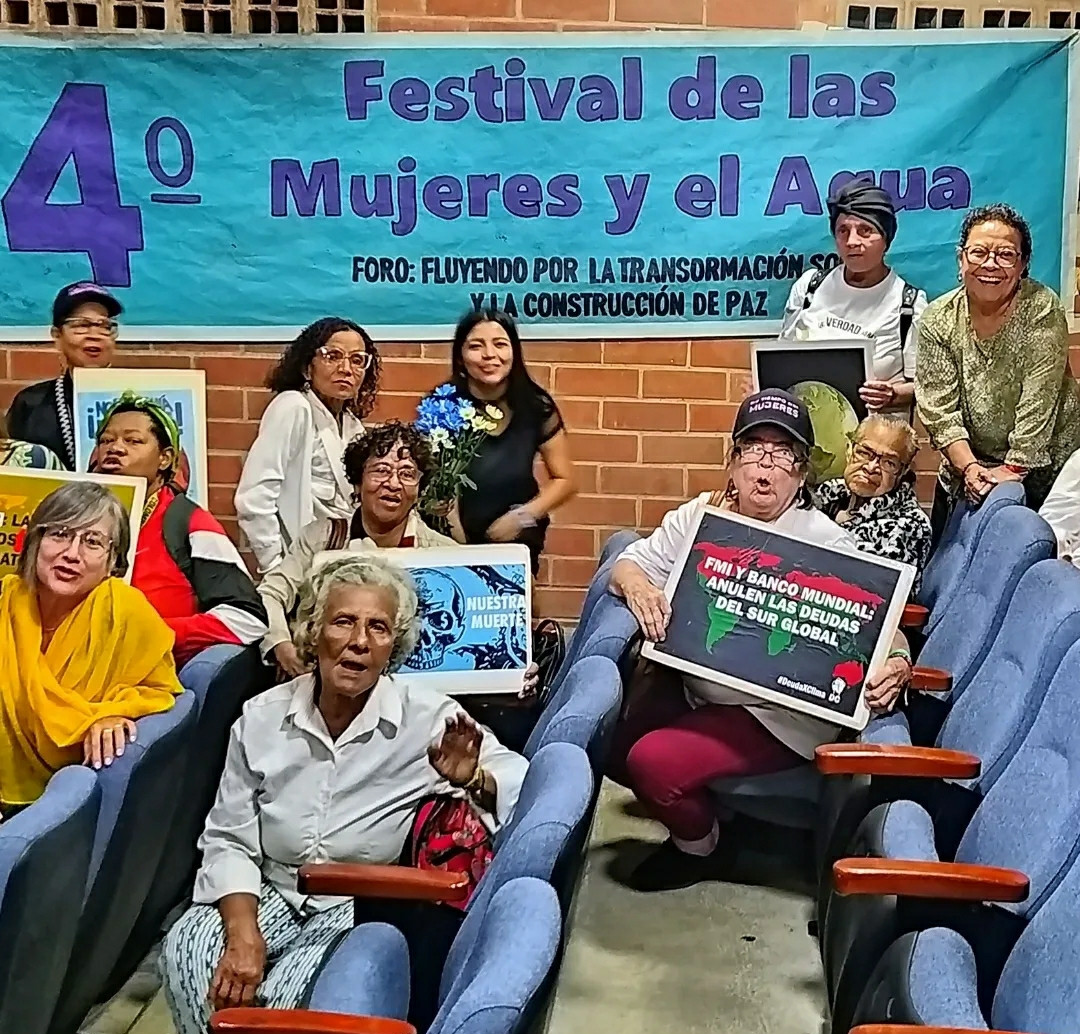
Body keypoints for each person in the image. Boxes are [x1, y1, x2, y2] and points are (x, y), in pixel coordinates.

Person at [161, 555, 528, 1034]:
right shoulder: (261, 718)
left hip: (354, 905)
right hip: (267, 891)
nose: (359, 641)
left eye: (377, 628)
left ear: (393, 646)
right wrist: (243, 934)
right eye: (343, 622)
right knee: (187, 951)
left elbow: (516, 781)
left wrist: (470, 778)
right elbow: (228, 838)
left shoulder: (426, 717)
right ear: (314, 633)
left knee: (288, 1000)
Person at [606, 390, 913, 892]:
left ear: (801, 472)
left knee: (651, 763)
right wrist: (638, 587)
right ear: (733, 461)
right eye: (754, 449)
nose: (765, 464)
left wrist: (898, 661)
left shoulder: (826, 542)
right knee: (612, 739)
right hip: (700, 688)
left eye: (784, 453)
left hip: (778, 716)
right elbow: (629, 562)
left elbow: (887, 624)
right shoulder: (701, 517)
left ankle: (702, 848)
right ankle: (719, 808)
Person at [0, 481, 182, 811]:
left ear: (113, 560)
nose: (72, 553)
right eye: (59, 534)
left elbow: (160, 691)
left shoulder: (125, 612)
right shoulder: (6, 599)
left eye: (92, 542)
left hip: (69, 806)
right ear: (35, 541)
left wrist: (114, 714)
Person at [916, 203, 1080, 542]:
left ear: (1022, 265)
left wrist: (1013, 469)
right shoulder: (937, 319)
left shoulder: (1042, 308)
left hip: (1047, 474)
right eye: (979, 252)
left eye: (1006, 255)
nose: (991, 264)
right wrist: (970, 468)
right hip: (969, 471)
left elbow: (1040, 399)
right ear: (961, 259)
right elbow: (938, 409)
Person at [258, 420, 451, 678]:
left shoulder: (444, 553)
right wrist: (281, 644)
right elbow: (270, 594)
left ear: (419, 490)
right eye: (381, 471)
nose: (393, 483)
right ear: (358, 483)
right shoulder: (321, 538)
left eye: (407, 474)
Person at [93, 394, 268, 668]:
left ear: (165, 459)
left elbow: (247, 618)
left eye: (133, 440)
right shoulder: (76, 519)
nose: (115, 448)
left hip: (154, 673)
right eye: (106, 441)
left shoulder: (188, 522)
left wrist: (155, 634)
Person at [235, 318, 381, 574]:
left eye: (357, 360)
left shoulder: (352, 425)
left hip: (342, 565)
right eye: (333, 356)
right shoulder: (293, 406)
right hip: (300, 567)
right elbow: (254, 498)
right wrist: (276, 569)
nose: (346, 368)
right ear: (306, 368)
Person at [780, 179, 927, 419]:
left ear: (886, 239)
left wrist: (892, 394)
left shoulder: (908, 304)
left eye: (865, 231)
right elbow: (782, 361)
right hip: (808, 436)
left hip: (874, 441)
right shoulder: (809, 287)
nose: (852, 242)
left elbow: (923, 388)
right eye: (843, 231)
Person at [444, 309, 575, 574]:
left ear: (514, 353)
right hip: (452, 536)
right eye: (476, 346)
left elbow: (565, 481)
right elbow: (441, 489)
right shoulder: (443, 408)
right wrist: (460, 549)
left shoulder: (535, 406)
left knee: (521, 605)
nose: (489, 355)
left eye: (500, 344)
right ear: (460, 357)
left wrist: (521, 517)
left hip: (517, 534)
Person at [6, 282, 123, 470]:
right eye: (82, 325)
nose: (95, 334)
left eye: (105, 326)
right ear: (57, 335)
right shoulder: (31, 403)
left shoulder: (138, 398)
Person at [813, 415, 932, 592]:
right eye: (864, 453)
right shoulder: (829, 493)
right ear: (849, 450)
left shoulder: (910, 525)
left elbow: (840, 577)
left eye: (888, 463)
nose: (871, 467)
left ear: (902, 471)